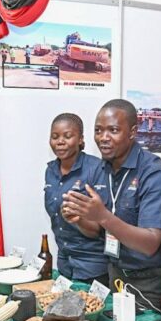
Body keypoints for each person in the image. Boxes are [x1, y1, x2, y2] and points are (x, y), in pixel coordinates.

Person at [63, 99, 161, 310]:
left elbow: (150, 243)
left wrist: (103, 215)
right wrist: (79, 219)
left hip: (149, 282)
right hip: (114, 274)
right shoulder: (101, 170)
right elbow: (97, 230)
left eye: (113, 130)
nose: (104, 138)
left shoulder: (155, 173)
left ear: (132, 132)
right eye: (98, 130)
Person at [44, 113, 109, 284]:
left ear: (80, 139)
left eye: (67, 136)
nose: (60, 141)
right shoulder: (51, 171)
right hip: (64, 263)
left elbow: (99, 229)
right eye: (55, 136)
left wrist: (78, 220)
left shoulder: (96, 169)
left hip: (92, 266)